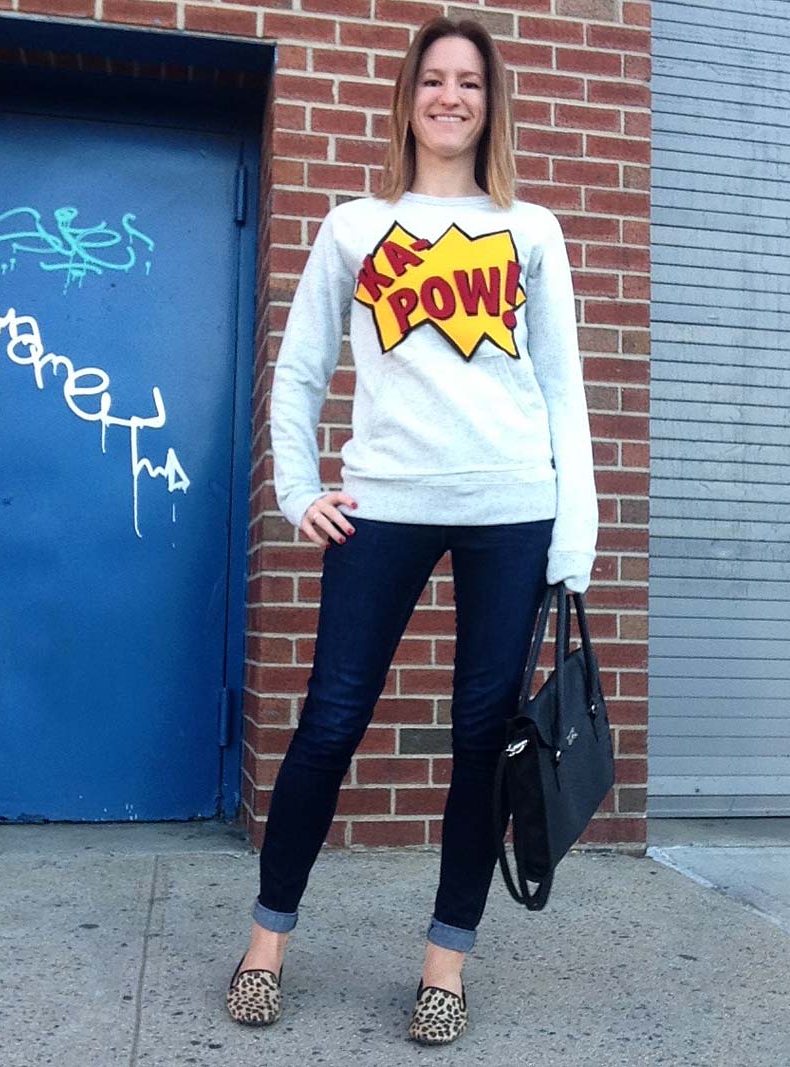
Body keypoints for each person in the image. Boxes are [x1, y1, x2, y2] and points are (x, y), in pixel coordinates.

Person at [225, 14, 598, 1046]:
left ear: (490, 103)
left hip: (509, 507)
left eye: (468, 82)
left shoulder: (531, 230)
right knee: (330, 721)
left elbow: (562, 387)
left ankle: (445, 964)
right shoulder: (354, 224)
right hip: (381, 504)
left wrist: (572, 535)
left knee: (480, 740)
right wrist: (297, 488)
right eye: (433, 79)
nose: (449, 97)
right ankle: (265, 941)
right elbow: (300, 368)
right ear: (407, 97)